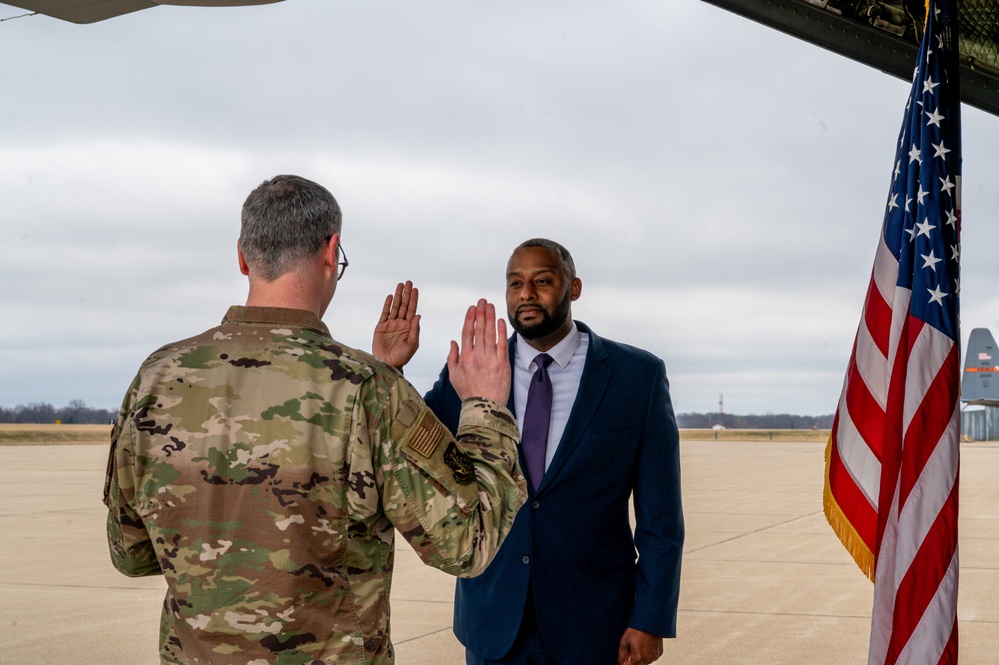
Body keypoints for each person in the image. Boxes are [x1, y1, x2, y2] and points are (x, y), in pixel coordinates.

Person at [103, 174, 527, 665]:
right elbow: (465, 542)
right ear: (332, 251)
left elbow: (130, 553)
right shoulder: (366, 390)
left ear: (242, 256)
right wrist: (486, 409)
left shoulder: (157, 377)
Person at [378, 238, 684, 665]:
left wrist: (650, 618)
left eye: (542, 281)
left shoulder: (638, 376)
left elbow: (661, 517)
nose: (526, 294)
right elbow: (410, 445)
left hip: (597, 619)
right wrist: (391, 371)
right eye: (515, 283)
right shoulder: (473, 369)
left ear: (573, 288)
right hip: (495, 616)